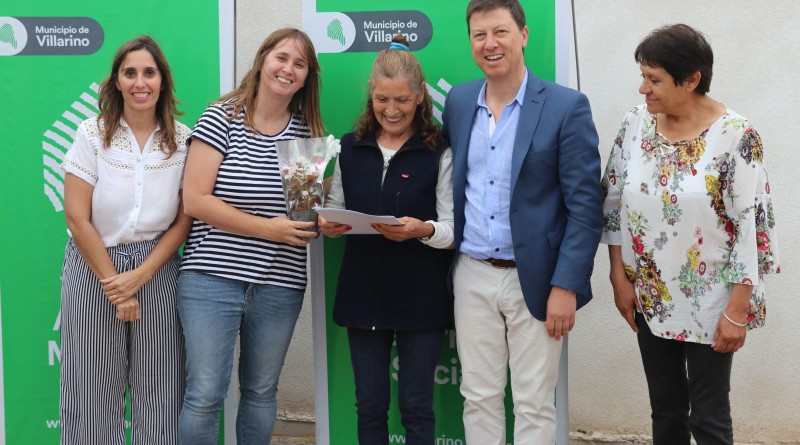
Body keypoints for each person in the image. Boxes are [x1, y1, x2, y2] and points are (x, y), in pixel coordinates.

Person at [601, 24, 780, 444]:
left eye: (654, 79)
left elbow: (751, 228)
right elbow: (612, 201)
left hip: (714, 300)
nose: (643, 88)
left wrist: (737, 311)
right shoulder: (635, 124)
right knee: (665, 411)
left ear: (692, 79)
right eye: (643, 76)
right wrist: (618, 275)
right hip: (649, 294)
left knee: (709, 417)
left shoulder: (737, 136)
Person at [440, 0, 602, 443]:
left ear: (524, 35)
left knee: (533, 403)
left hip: (538, 279)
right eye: (479, 35)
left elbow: (586, 208)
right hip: (472, 273)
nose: (490, 44)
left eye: (500, 32)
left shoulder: (566, 107)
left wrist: (565, 286)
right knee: (478, 397)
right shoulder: (458, 102)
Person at [176, 28, 323, 444]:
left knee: (260, 392)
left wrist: (322, 215)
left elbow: (301, 215)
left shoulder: (305, 134)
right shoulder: (220, 118)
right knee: (205, 395)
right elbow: (195, 200)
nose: (288, 69)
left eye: (299, 64)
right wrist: (269, 228)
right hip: (211, 279)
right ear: (262, 61)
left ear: (306, 77)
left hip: (279, 283)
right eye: (281, 58)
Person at [319, 34, 454, 445]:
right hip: (362, 295)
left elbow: (452, 229)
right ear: (371, 94)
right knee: (370, 406)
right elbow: (336, 206)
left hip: (421, 298)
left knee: (417, 407)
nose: (391, 110)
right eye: (382, 99)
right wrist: (329, 223)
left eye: (402, 100)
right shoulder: (350, 147)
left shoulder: (438, 150)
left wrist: (422, 230)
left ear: (420, 96)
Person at [60, 36, 191, 444]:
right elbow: (77, 217)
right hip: (93, 264)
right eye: (129, 73)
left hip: (158, 267)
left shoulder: (182, 141)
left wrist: (141, 275)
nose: (140, 82)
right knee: (91, 390)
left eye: (149, 72)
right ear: (116, 81)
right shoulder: (91, 134)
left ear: (162, 80)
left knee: (162, 390)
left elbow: (183, 221)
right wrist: (117, 286)